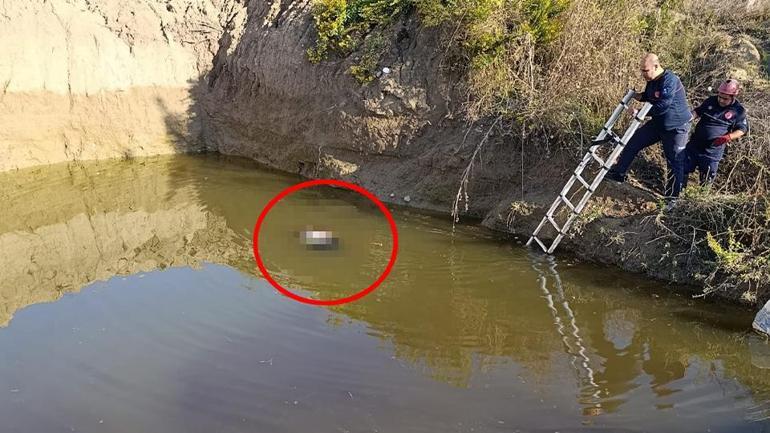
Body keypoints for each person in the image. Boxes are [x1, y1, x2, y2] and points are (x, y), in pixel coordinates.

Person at [606, 53, 692, 210]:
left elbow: (663, 105)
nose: (643, 74)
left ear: (656, 66)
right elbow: (650, 96)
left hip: (676, 128)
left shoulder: (670, 80)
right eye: (641, 70)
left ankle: (672, 199)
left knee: (674, 161)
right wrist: (637, 96)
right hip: (658, 124)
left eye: (645, 70)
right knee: (633, 142)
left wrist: (640, 112)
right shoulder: (652, 81)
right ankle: (618, 173)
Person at [684, 79, 748, 188]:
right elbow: (698, 111)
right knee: (682, 169)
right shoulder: (711, 101)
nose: (721, 100)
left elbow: (742, 129)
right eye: (720, 97)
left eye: (725, 99)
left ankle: (698, 202)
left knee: (706, 180)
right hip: (694, 146)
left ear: (733, 96)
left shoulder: (738, 111)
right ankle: (675, 196)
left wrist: (728, 137)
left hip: (712, 153)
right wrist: (688, 117)